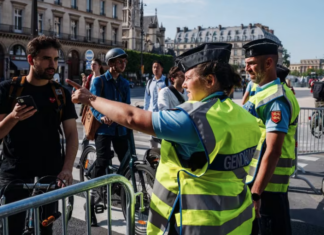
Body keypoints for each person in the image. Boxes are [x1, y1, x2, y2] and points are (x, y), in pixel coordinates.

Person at [69, 43, 261, 235]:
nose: (184, 85)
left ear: (210, 80)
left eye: (188, 78)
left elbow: (131, 117)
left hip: (197, 224)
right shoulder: (247, 118)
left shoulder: (195, 119)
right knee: (103, 161)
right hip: (238, 222)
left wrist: (90, 98)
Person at [0, 35, 78, 234]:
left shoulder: (61, 93)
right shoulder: (8, 89)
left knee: (45, 229)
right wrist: (13, 116)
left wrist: (67, 168)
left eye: (54, 59)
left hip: (49, 172)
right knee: (12, 228)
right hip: (15, 173)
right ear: (30, 60)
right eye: (46, 59)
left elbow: (71, 135)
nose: (53, 64)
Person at [242, 38, 300, 235]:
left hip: (268, 187)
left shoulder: (275, 100)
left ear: (269, 63)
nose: (246, 69)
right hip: (261, 181)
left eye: (251, 64)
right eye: (246, 64)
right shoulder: (262, 91)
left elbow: (274, 151)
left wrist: (256, 193)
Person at [88, 48, 130, 226]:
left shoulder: (125, 83)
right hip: (104, 129)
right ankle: (92, 196)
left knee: (127, 161)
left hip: (120, 129)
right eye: (120, 61)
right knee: (103, 159)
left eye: (125, 62)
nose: (123, 64)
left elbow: (127, 106)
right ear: (111, 63)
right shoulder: (99, 81)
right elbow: (92, 103)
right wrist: (101, 117)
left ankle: (117, 188)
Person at [144, 61, 168, 147]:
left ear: (162, 68)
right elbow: (147, 99)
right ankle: (154, 157)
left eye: (157, 67)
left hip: (163, 116)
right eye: (153, 67)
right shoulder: (150, 82)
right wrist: (145, 112)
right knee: (152, 140)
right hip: (151, 115)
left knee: (164, 140)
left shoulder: (167, 81)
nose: (155, 69)